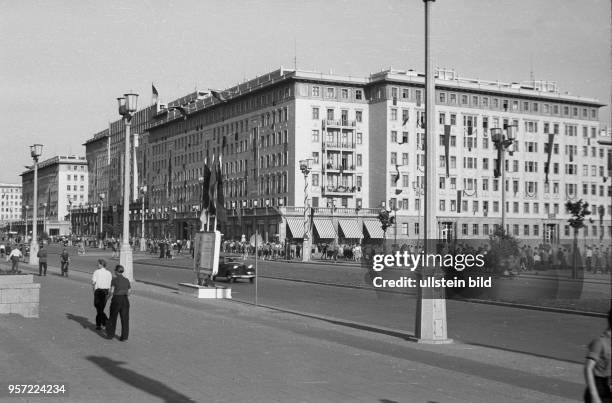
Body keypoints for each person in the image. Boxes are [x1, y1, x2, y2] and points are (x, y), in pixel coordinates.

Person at [583, 310, 611, 403]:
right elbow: (588, 368)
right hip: (598, 388)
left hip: (608, 387)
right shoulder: (599, 342)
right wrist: (594, 396)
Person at [106, 265, 131, 341]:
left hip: (116, 299)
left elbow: (112, 291)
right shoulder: (127, 280)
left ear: (117, 271)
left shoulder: (114, 280)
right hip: (125, 299)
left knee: (113, 317)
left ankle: (110, 335)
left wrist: (107, 298)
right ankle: (124, 337)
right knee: (125, 319)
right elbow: (129, 292)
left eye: (115, 271)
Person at [91, 259, 112, 331]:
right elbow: (110, 284)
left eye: (98, 264)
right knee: (101, 308)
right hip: (106, 291)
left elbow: (93, 282)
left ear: (101, 264)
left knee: (98, 308)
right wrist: (109, 293)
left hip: (99, 291)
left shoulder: (96, 272)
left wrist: (94, 291)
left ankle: (102, 323)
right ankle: (103, 323)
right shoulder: (109, 273)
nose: (97, 265)